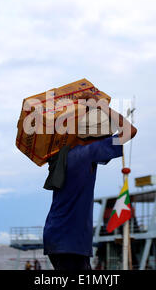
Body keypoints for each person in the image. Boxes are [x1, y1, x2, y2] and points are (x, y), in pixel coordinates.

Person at [43, 93, 137, 270]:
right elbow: (130, 131)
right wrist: (101, 106)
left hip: (59, 237)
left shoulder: (65, 156)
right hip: (70, 240)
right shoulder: (88, 153)